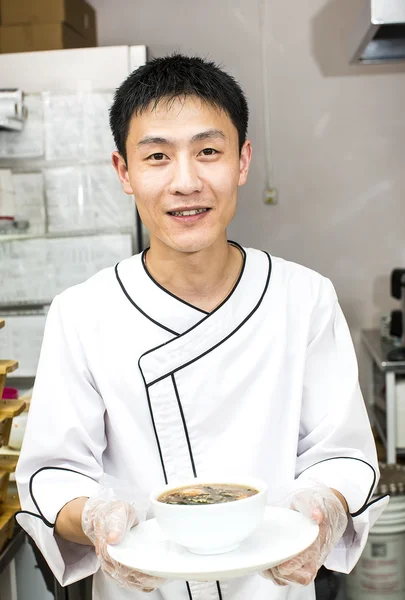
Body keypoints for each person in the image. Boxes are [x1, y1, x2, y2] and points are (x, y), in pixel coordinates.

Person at [15, 54, 388, 600]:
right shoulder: (84, 312)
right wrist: (95, 516)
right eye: (158, 156)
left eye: (208, 152)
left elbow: (343, 452)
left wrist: (327, 505)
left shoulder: (303, 297)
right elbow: (51, 472)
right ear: (124, 172)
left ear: (242, 162)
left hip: (274, 590)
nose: (185, 182)